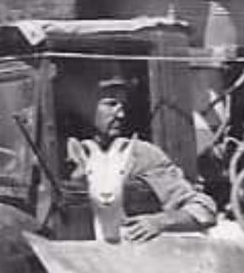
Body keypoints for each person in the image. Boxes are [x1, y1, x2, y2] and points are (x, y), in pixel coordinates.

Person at [80, 73, 217, 242]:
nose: (121, 115)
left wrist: (160, 221)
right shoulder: (65, 151)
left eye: (123, 106)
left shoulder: (140, 154)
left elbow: (204, 209)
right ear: (84, 105)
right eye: (111, 104)